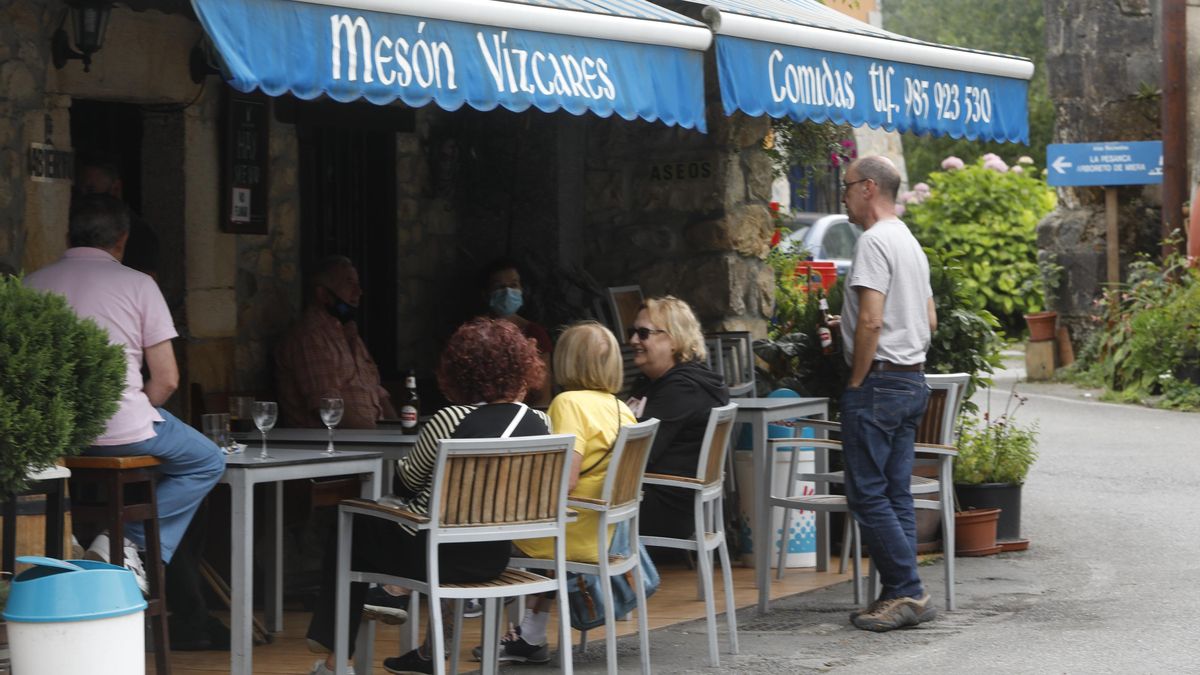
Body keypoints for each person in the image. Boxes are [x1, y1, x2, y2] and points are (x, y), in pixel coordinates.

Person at [304, 318, 551, 675]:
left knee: (349, 525)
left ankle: (337, 655)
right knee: (405, 528)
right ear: (519, 365)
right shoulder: (539, 423)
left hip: (432, 556)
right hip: (492, 556)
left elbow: (404, 485)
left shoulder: (451, 418)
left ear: (462, 370)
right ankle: (390, 605)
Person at [24, 194, 225, 593]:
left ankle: (78, 541)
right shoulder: (139, 284)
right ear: (123, 240)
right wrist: (133, 408)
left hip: (53, 438)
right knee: (207, 460)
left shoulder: (32, 283)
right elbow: (167, 379)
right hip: (123, 431)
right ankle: (126, 542)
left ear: (67, 235)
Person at [835, 156, 938, 632]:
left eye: (847, 186)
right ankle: (902, 591)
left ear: (868, 188)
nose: (843, 196)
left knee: (867, 494)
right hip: (912, 377)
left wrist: (858, 379)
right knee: (894, 491)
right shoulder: (910, 242)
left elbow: (873, 319)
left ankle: (906, 588)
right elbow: (929, 319)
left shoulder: (875, 242)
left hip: (879, 381)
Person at [495, 321, 637, 663]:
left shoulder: (568, 403)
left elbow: (565, 480)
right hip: (601, 533)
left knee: (485, 531)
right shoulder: (623, 409)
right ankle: (530, 632)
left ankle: (452, 636)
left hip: (570, 533)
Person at [626, 296, 729, 539]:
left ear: (673, 339)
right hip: (661, 497)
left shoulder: (682, 389)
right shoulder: (655, 383)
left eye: (643, 333)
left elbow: (638, 455)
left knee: (574, 508)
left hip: (666, 508)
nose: (632, 340)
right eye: (632, 332)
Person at [276, 255, 398, 428]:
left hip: (372, 441)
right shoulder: (310, 337)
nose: (358, 292)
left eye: (358, 284)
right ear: (323, 294)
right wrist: (376, 437)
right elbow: (328, 407)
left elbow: (378, 393)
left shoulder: (348, 333)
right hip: (333, 446)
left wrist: (398, 432)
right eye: (349, 284)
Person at [480, 258, 553, 405]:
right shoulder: (477, 334)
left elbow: (544, 392)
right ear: (486, 293)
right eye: (499, 287)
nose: (507, 291)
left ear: (522, 290)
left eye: (513, 285)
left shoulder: (535, 334)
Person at [76, 159, 160, 278]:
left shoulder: (139, 232)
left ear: (115, 188)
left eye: (91, 191)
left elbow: (143, 284)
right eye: (80, 192)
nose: (84, 199)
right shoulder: (79, 224)